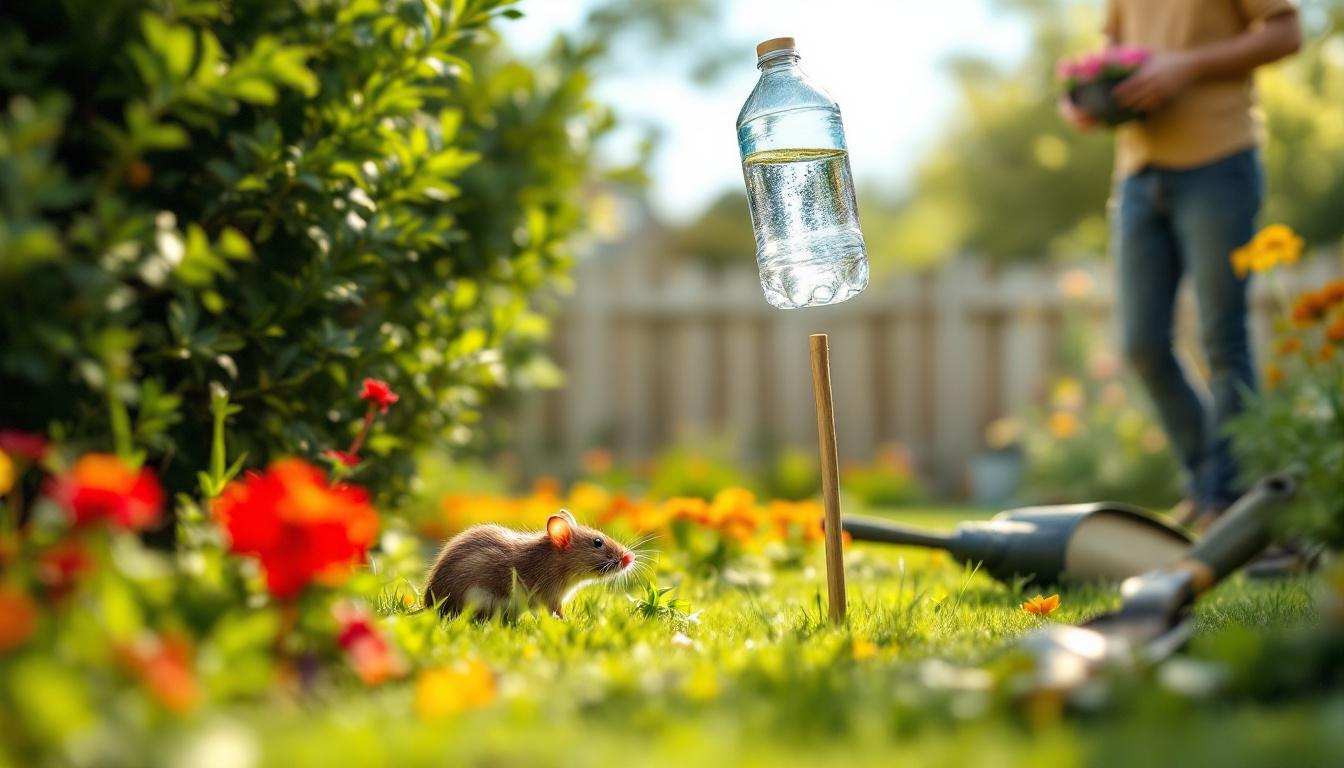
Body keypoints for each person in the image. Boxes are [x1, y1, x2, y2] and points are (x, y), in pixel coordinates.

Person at [1060, 0, 1301, 526]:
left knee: (1222, 338)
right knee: (1142, 346)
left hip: (1219, 160)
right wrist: (1086, 95)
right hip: (1138, 171)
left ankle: (1227, 498)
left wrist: (1185, 66)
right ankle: (1211, 481)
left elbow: (1286, 32)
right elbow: (1114, 49)